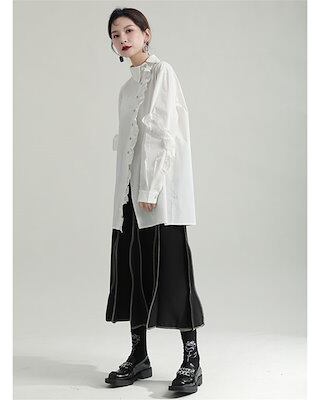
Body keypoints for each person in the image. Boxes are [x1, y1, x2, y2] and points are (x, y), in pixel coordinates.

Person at [104, 7, 205, 394]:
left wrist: (150, 189)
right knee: (134, 272)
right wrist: (128, 195)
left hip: (159, 196)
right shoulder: (126, 89)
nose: (122, 39)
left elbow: (164, 134)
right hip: (129, 197)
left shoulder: (163, 73)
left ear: (146, 34)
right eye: (115, 35)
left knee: (173, 273)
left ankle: (192, 360)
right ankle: (139, 356)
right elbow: (128, 145)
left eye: (129, 30)